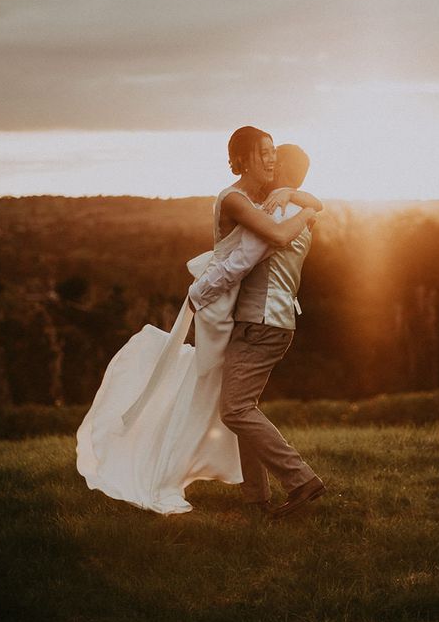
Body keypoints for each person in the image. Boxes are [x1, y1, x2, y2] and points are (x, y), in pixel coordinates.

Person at [76, 127, 320, 515]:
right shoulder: (287, 209)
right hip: (267, 319)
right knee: (243, 406)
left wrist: (198, 295)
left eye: (275, 156)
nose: (270, 163)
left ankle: (301, 479)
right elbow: (297, 215)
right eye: (264, 154)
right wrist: (306, 203)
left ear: (282, 171)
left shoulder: (282, 212)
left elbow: (245, 258)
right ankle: (257, 500)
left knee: (237, 409)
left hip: (259, 320)